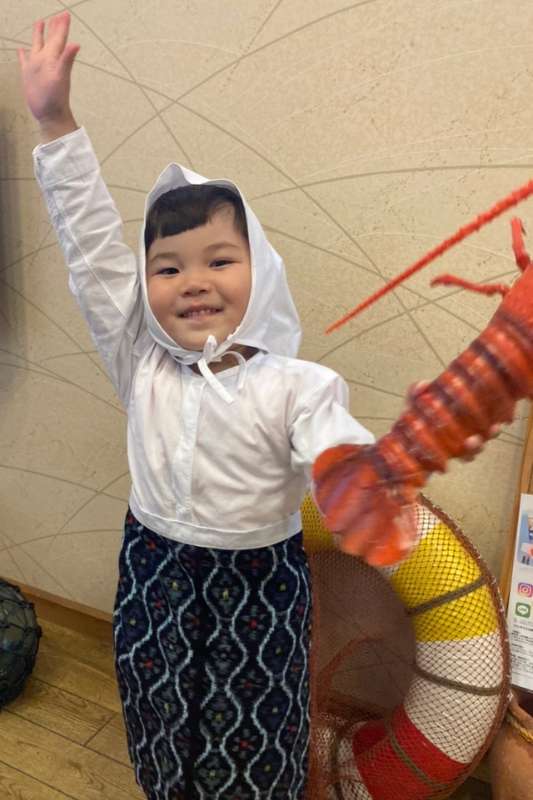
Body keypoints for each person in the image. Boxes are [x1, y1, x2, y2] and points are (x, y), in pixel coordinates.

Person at [18, 12, 375, 800]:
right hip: (153, 577)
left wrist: (353, 478)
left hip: (258, 592)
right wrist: (55, 120)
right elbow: (90, 251)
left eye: (219, 259)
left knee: (258, 743)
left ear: (261, 272)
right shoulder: (139, 360)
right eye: (168, 268)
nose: (194, 282)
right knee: (158, 724)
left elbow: (335, 445)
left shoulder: (296, 383)